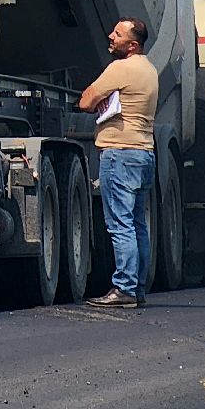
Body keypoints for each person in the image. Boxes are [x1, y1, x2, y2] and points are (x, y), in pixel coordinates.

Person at [79, 17, 159, 309]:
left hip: (119, 153)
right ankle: (136, 288)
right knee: (137, 223)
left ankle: (123, 287)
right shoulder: (149, 70)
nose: (111, 37)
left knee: (120, 224)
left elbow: (86, 101)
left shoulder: (121, 68)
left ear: (132, 45)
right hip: (144, 153)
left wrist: (99, 96)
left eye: (118, 34)